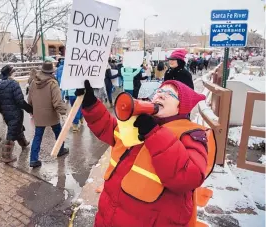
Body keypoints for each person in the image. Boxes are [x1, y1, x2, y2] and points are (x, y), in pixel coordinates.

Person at [75, 79, 214, 227]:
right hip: (108, 215)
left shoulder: (192, 134)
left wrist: (154, 134)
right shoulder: (141, 121)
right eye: (159, 91)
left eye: (170, 94)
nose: (161, 95)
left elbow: (190, 177)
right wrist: (91, 105)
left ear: (182, 107)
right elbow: (109, 128)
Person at [27, 62, 69, 168]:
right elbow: (57, 101)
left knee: (37, 136)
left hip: (38, 115)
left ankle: (33, 159)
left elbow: (29, 99)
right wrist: (63, 112)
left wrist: (32, 110)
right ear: (51, 72)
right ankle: (60, 150)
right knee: (59, 133)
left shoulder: (33, 82)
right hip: (51, 114)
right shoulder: (52, 83)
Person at [0, 65, 32, 160]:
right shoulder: (14, 84)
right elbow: (20, 101)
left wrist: (2, 112)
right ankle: (6, 156)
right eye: (13, 71)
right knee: (11, 133)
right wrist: (30, 109)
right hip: (15, 112)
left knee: (16, 127)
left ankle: (23, 143)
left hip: (6, 112)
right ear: (10, 73)